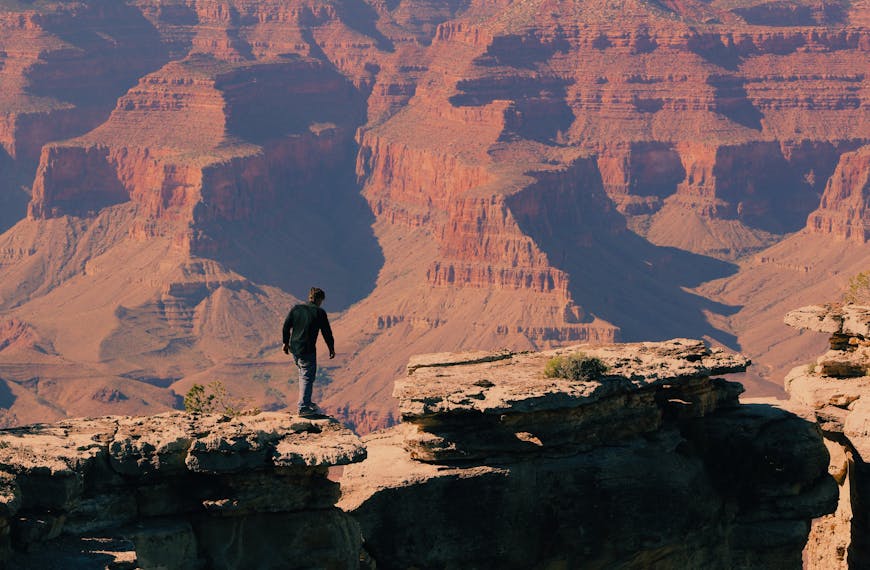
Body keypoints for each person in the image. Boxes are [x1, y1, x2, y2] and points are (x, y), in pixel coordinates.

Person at [282, 287, 335, 415]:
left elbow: (286, 326)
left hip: (294, 348)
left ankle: (305, 401)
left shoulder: (296, 309)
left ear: (309, 297)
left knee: (303, 375)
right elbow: (326, 332)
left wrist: (285, 342)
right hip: (308, 349)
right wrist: (331, 348)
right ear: (319, 299)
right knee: (307, 377)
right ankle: (303, 407)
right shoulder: (319, 312)